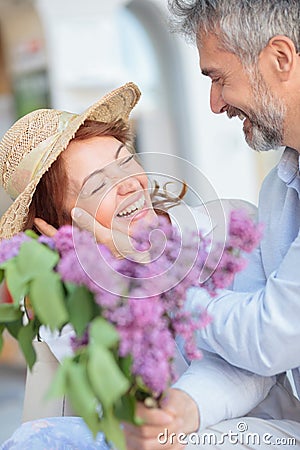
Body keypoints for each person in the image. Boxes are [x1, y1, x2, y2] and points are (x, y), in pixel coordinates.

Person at [0, 82, 273, 450]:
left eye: (125, 161)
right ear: (60, 226)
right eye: (97, 186)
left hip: (254, 432)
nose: (128, 185)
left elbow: (255, 364)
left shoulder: (227, 226)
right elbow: (53, 412)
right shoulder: (68, 300)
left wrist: (143, 264)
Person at [122, 1, 300, 449]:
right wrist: (183, 408)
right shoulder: (280, 189)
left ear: (281, 58)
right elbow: (253, 353)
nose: (215, 103)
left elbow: (269, 336)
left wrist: (169, 289)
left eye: (218, 78)